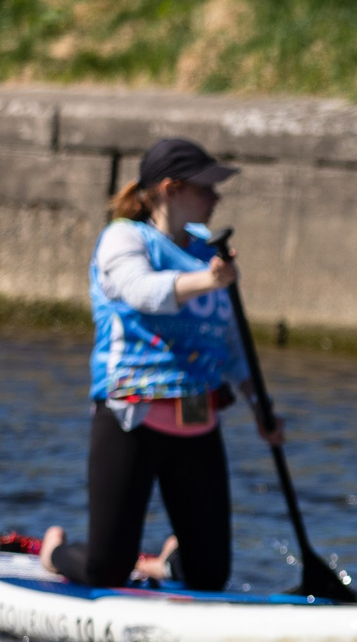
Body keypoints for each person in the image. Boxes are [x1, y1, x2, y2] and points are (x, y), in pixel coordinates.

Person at [39, 136, 280, 591]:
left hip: (197, 422)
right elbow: (143, 292)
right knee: (107, 572)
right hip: (132, 415)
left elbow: (230, 343)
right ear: (170, 189)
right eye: (205, 187)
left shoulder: (210, 250)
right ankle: (53, 552)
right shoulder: (123, 238)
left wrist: (260, 407)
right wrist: (207, 279)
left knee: (211, 577)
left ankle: (170, 563)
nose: (216, 197)